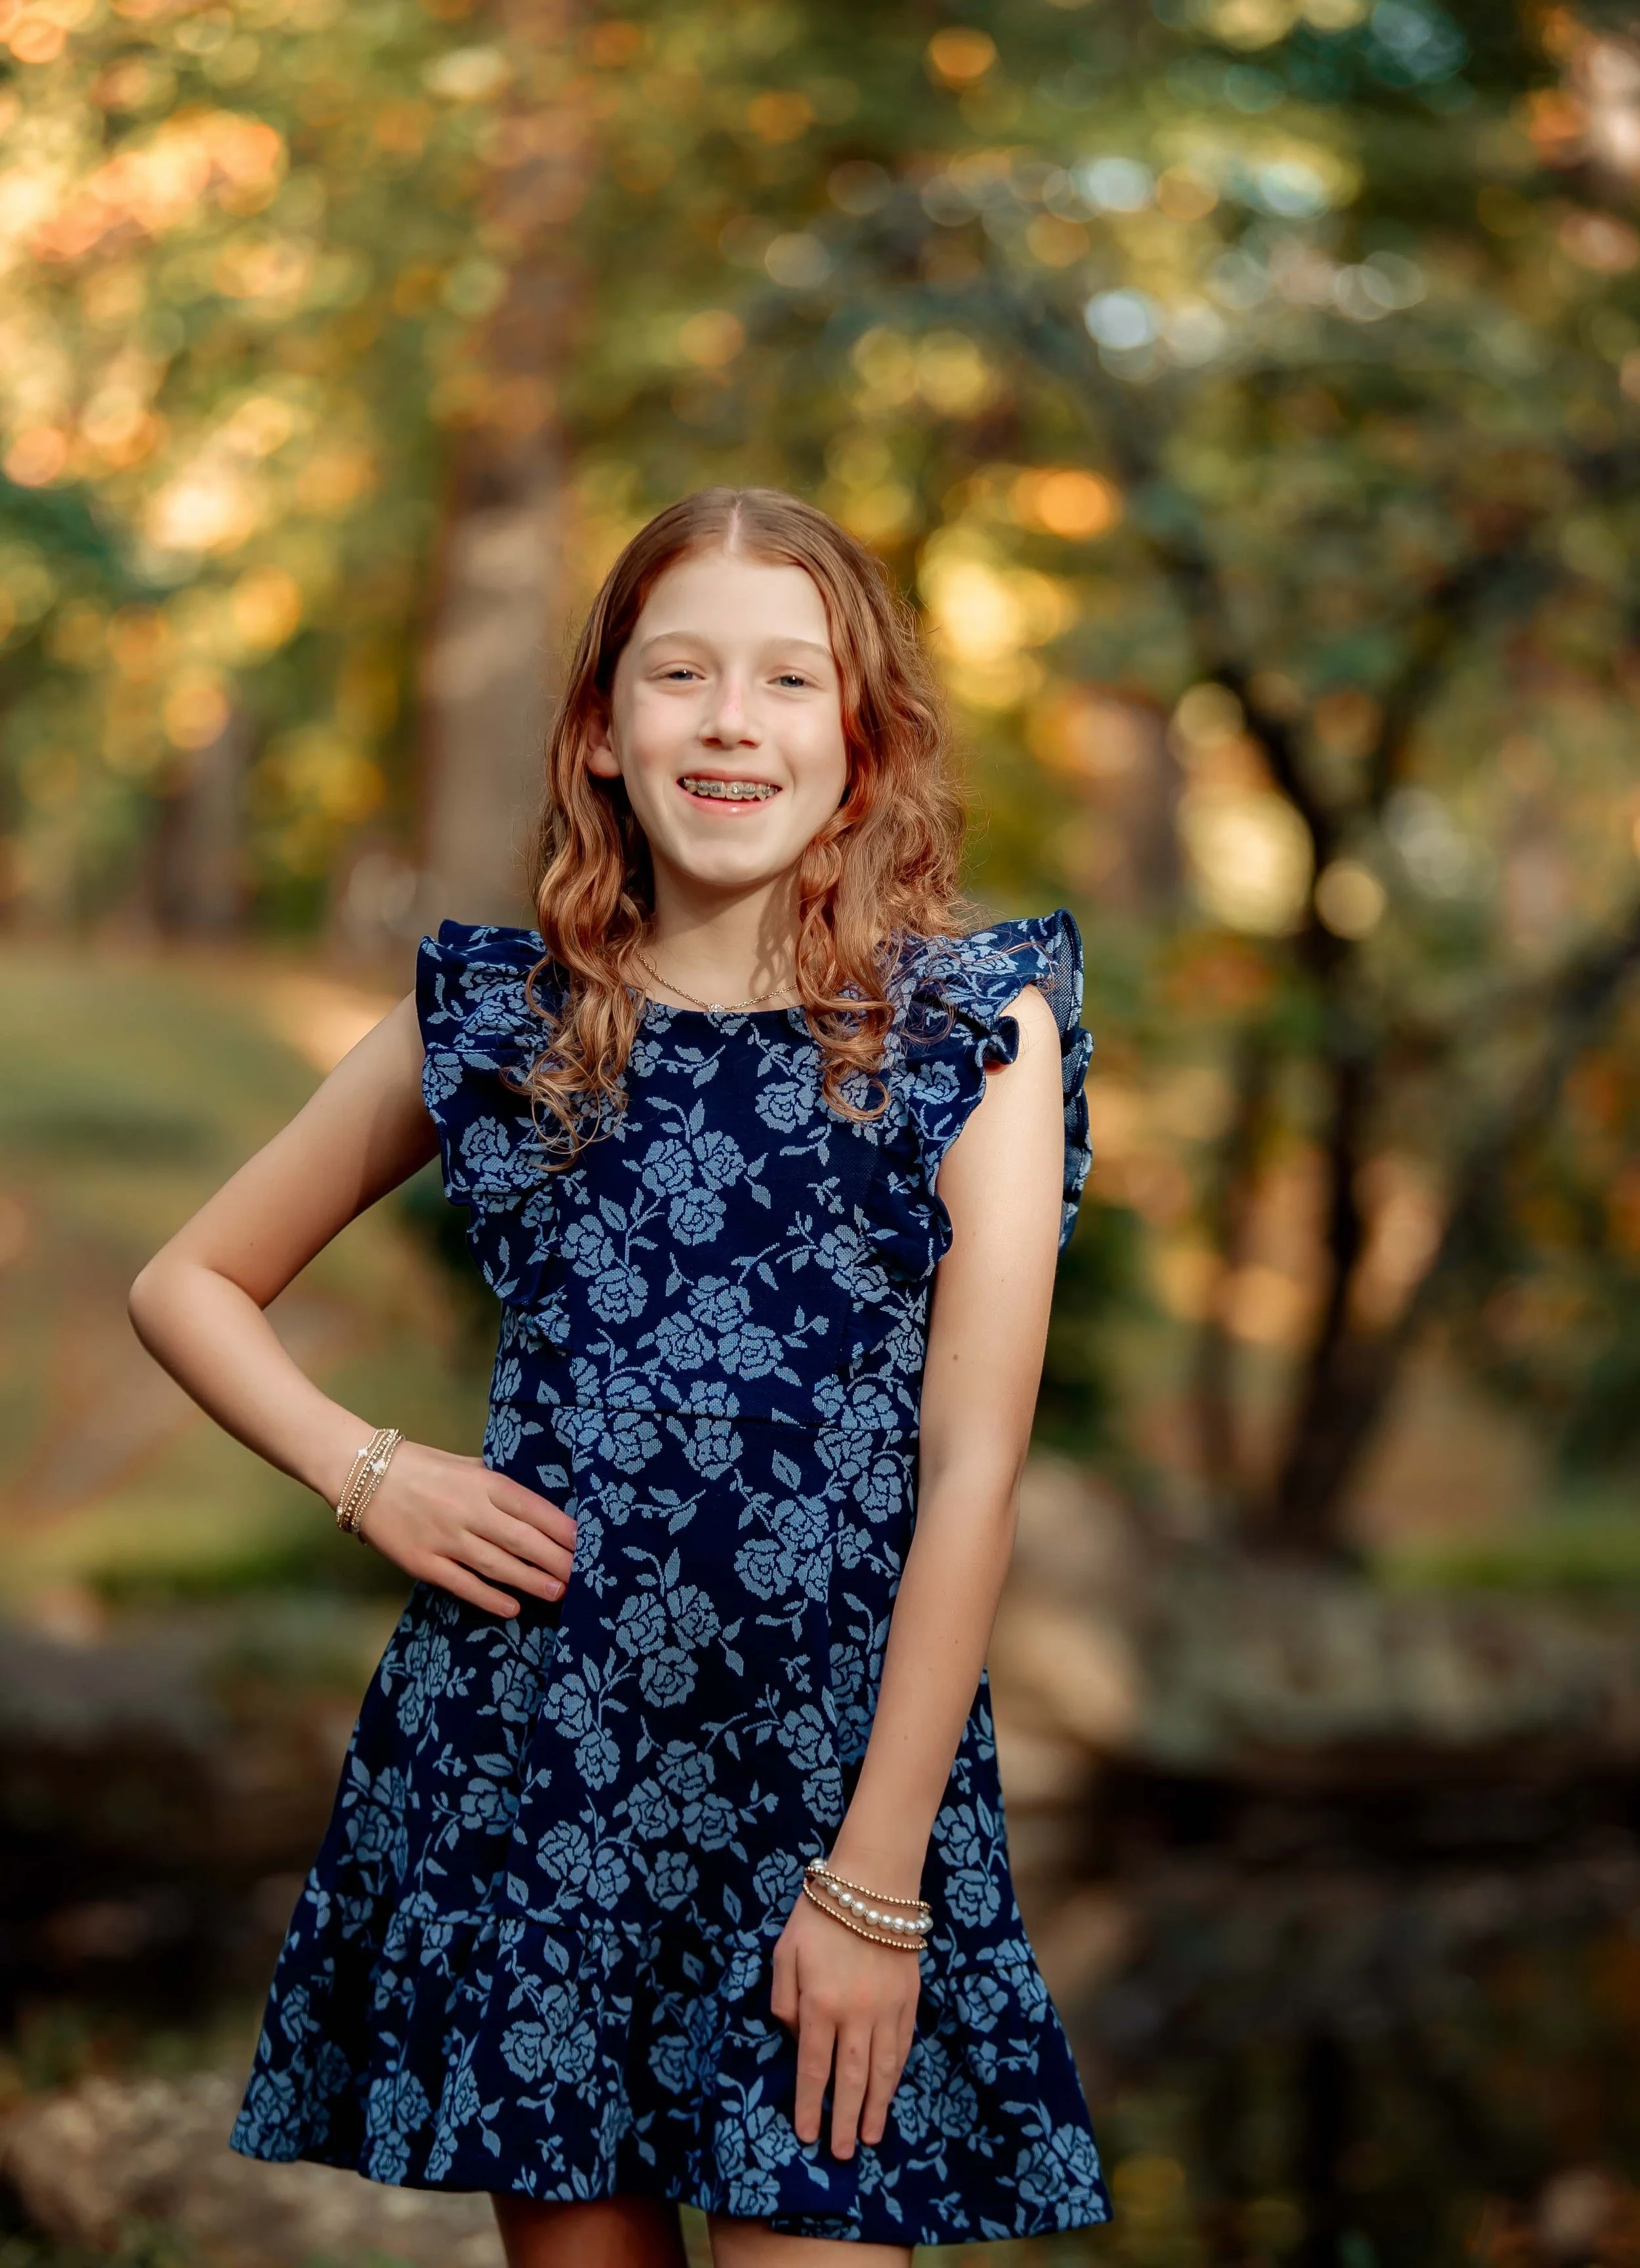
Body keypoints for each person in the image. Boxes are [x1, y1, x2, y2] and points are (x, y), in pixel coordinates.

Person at [129, 485, 1109, 2267]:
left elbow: (971, 1471)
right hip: (543, 1769)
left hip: (836, 1783)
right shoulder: (499, 1018)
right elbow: (187, 1278)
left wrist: (875, 1887)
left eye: (788, 680)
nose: (731, 721)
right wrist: (375, 1470)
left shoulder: (973, 1031)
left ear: (860, 736)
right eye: (681, 673)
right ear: (599, 727)